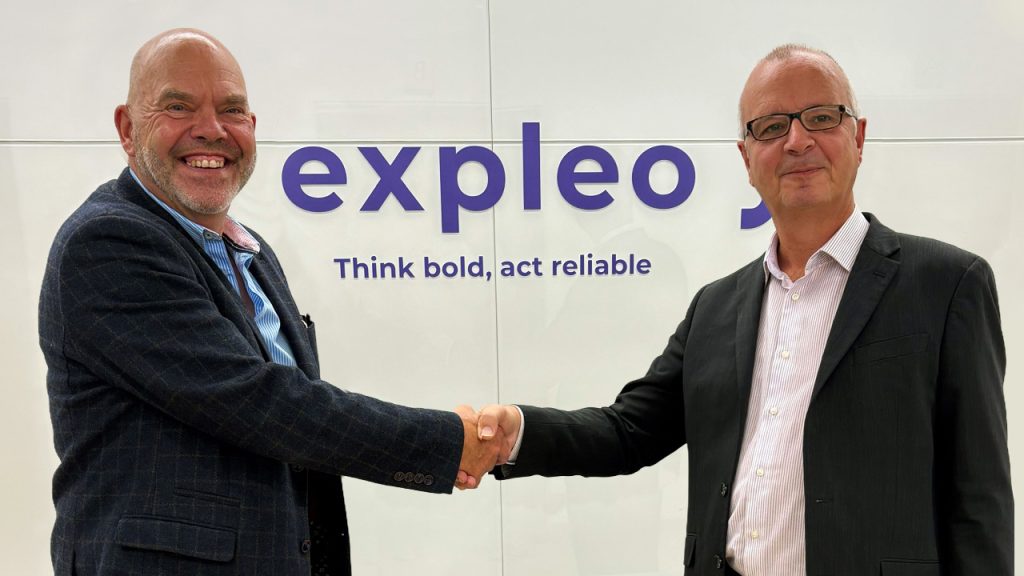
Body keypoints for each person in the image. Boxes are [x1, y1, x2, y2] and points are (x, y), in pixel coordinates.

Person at [470, 44, 1012, 575]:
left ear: (859, 135)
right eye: (771, 127)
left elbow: (978, 498)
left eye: (821, 117)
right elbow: (628, 431)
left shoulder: (946, 284)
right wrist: (513, 431)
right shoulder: (715, 308)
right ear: (747, 159)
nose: (798, 140)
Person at [38, 28, 499, 576]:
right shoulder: (110, 242)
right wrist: (449, 442)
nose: (210, 130)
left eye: (231, 109)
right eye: (178, 106)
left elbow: (291, 422)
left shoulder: (250, 251)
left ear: (252, 128)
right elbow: (262, 403)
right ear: (127, 128)